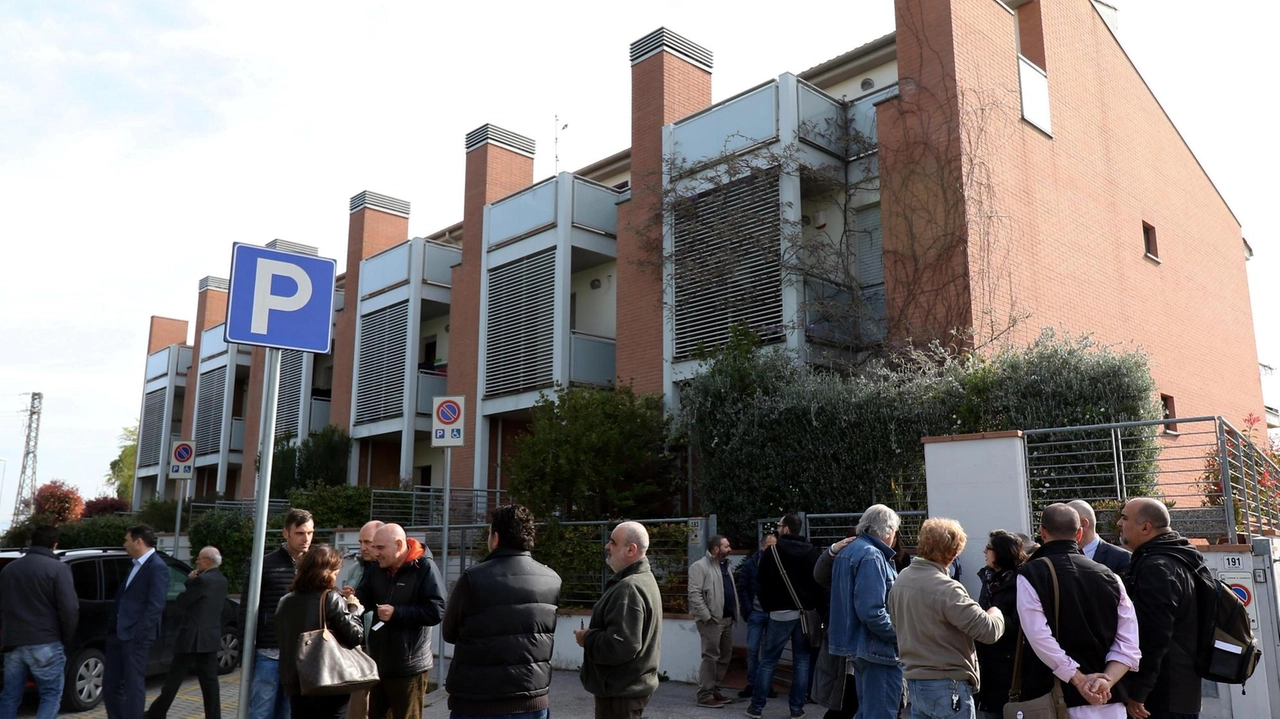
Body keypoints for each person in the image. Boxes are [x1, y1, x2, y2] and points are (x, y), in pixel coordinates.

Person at [1017, 504, 1140, 719]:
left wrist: (1079, 679)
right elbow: (1129, 642)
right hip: (1109, 699)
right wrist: (1105, 681)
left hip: (1056, 698)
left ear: (1043, 532)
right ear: (1079, 532)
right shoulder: (1110, 576)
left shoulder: (1031, 573)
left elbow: (1038, 636)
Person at [443, 504, 562, 719]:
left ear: (495, 537)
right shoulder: (552, 579)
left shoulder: (472, 578)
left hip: (478, 702)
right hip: (532, 700)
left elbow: (449, 632)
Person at [889, 518, 1004, 719]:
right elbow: (988, 631)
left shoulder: (902, 579)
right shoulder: (946, 588)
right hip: (947, 684)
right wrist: (997, 612)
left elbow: (895, 624)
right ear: (953, 552)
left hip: (916, 681)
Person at [1117, 497, 1202, 719]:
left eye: (1125, 518)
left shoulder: (1157, 568)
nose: (1119, 523)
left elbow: (1155, 635)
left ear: (1145, 527)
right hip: (1177, 693)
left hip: (1160, 698)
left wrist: (1139, 691)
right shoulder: (1179, 558)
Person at [574, 521, 662, 719]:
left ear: (631, 549)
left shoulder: (629, 587)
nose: (607, 546)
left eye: (613, 542)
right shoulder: (642, 579)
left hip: (620, 693)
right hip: (626, 690)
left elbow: (621, 645)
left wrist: (586, 638)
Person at [359, 523, 446, 719]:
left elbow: (436, 610)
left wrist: (397, 613)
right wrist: (352, 598)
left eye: (379, 548)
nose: (375, 552)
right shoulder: (376, 567)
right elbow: (364, 596)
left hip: (409, 667)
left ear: (398, 545)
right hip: (379, 663)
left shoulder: (424, 567)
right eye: (373, 547)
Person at [275, 544, 366, 719]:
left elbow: (281, 636)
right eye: (335, 574)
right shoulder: (330, 597)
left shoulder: (286, 601)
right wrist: (353, 609)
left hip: (297, 680)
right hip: (327, 679)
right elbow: (355, 636)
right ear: (326, 573)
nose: (335, 579)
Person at [828, 505, 902, 719]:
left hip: (860, 647)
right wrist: (901, 636)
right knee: (880, 713)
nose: (895, 537)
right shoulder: (872, 556)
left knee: (867, 711)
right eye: (895, 531)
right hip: (877, 650)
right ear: (887, 529)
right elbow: (872, 612)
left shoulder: (851, 551)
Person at [748, 513, 823, 719]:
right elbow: (820, 584)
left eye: (779, 526)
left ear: (787, 529)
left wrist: (769, 607)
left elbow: (761, 583)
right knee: (801, 662)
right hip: (806, 615)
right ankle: (796, 709)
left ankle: (756, 707)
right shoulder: (812, 553)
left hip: (779, 614)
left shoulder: (773, 553)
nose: (777, 529)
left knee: (769, 661)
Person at [243, 507, 315, 719]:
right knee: (261, 712)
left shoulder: (314, 565)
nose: (306, 539)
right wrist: (244, 649)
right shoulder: (266, 564)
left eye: (310, 533)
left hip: (301, 654)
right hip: (269, 652)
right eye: (300, 533)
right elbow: (247, 607)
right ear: (286, 533)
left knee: (288, 712)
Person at [0, 525, 78, 719]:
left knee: (9, 696)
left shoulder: (9, 569)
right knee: (50, 695)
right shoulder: (59, 569)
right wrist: (67, 638)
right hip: (45, 641)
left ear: (31, 542)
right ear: (54, 544)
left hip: (13, 643)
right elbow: (69, 608)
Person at [145, 546, 228, 719]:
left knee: (173, 680)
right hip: (210, 638)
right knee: (210, 683)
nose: (196, 562)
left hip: (191, 637)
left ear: (209, 561)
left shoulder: (202, 581)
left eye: (199, 558)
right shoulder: (221, 580)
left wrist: (189, 581)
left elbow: (183, 601)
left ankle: (156, 714)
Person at [104, 524, 169, 719]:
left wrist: (140, 633)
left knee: (133, 686)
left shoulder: (157, 567)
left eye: (126, 540)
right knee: (110, 685)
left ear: (138, 541)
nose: (124, 544)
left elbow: (156, 605)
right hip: (118, 633)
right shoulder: (135, 565)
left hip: (135, 637)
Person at [973, 530, 1026, 719]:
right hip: (986, 663)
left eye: (989, 548)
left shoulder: (1021, 581)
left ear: (1002, 552)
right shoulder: (988, 579)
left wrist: (994, 620)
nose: (984, 551)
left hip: (1009, 666)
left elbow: (1020, 625)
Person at [690, 534, 742, 708]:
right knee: (711, 657)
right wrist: (707, 617)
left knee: (724, 656)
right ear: (716, 549)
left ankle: (713, 690)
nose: (730, 549)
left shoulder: (725, 566)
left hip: (726, 619)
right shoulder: (699, 567)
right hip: (711, 621)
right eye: (726, 546)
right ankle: (704, 695)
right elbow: (695, 595)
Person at [341, 519, 384, 719]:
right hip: (358, 644)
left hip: (380, 644)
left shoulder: (386, 569)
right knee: (357, 704)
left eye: (368, 542)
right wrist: (347, 597)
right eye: (360, 542)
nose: (363, 547)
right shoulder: (355, 568)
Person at [812, 534, 858, 719]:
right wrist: (832, 550)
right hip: (849, 650)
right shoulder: (843, 571)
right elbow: (820, 575)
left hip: (863, 649)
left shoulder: (884, 561)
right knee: (845, 703)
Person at [735, 534, 778, 700]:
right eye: (769, 546)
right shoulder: (751, 564)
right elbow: (742, 587)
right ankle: (752, 684)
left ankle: (767, 685)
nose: (772, 549)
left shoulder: (780, 564)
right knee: (753, 650)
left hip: (774, 614)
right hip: (756, 613)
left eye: (775, 546)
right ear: (762, 546)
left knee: (770, 651)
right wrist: (748, 610)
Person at [1067, 500, 1131, 573]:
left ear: (1084, 524)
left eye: (1067, 524)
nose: (1061, 530)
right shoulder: (1060, 557)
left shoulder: (1122, 558)